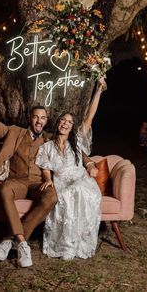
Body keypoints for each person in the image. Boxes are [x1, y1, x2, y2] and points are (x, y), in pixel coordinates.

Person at [0, 81, 58, 268]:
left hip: (36, 183)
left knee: (52, 197)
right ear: (29, 118)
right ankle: (23, 244)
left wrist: (88, 162)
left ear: (46, 121)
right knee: (5, 189)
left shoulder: (49, 139)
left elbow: (72, 143)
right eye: (35, 117)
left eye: (43, 118)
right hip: (15, 181)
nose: (39, 121)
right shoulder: (14, 131)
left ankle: (10, 239)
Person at [35, 79, 106, 260]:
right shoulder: (47, 146)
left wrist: (98, 91)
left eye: (69, 122)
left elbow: (90, 117)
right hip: (60, 181)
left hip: (79, 179)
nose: (66, 123)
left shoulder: (76, 143)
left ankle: (78, 242)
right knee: (64, 195)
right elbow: (45, 168)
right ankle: (65, 244)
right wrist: (48, 179)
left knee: (79, 190)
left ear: (72, 127)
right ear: (57, 123)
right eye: (63, 120)